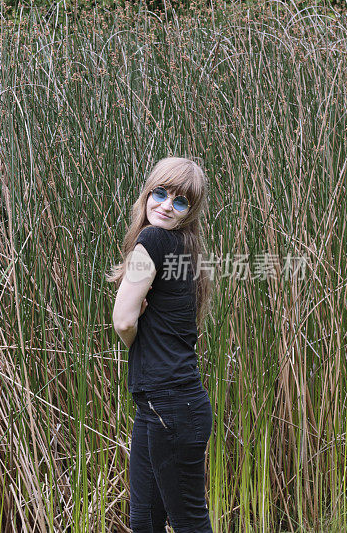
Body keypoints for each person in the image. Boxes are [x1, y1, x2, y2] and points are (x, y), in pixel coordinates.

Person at [108, 157, 214, 533]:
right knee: (146, 521)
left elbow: (123, 319)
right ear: (147, 193)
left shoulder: (152, 240)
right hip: (164, 405)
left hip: (172, 406)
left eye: (181, 201)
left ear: (191, 211)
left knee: (188, 523)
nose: (167, 205)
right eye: (161, 193)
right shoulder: (184, 250)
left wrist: (133, 336)